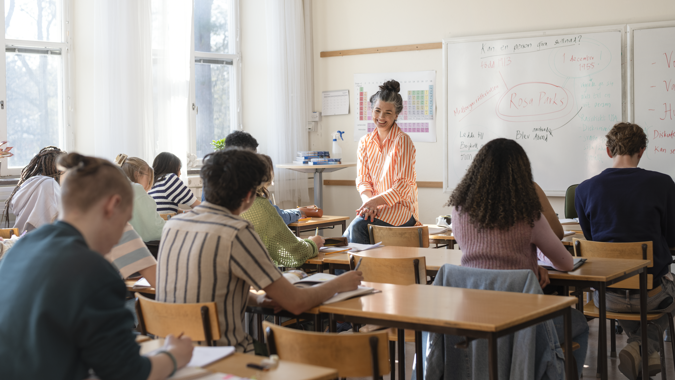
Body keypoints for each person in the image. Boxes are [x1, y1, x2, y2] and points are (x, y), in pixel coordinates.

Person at [0, 153, 193, 380]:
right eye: (125, 220)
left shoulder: (21, 248)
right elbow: (128, 373)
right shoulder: (94, 270)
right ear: (112, 206)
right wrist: (174, 355)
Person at [156, 148, 362, 353]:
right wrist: (339, 283)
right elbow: (296, 303)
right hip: (222, 356)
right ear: (249, 194)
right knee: (305, 353)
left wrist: (256, 298)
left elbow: (206, 285)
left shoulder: (173, 225)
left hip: (173, 353)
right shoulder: (236, 231)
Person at [447, 138, 588, 377]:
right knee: (579, 323)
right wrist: (529, 271)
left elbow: (484, 257)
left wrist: (528, 269)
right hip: (522, 323)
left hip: (471, 318)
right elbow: (564, 262)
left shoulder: (459, 211)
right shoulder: (527, 215)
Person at [575, 122, 675, 380]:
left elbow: (591, 240)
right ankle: (642, 346)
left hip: (606, 296)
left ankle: (638, 348)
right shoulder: (663, 184)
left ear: (609, 151)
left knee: (636, 297)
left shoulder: (584, 189)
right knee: (670, 293)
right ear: (642, 150)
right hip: (651, 294)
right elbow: (672, 238)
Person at [344, 80, 419, 244]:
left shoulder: (403, 141)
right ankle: (357, 270)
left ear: (396, 115)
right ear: (371, 110)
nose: (381, 117)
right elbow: (363, 181)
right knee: (345, 237)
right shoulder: (364, 142)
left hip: (401, 210)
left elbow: (403, 187)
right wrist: (368, 204)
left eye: (388, 113)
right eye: (377, 111)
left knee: (356, 228)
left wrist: (373, 203)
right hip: (373, 207)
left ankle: (362, 270)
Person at [240, 154, 323, 267]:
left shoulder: (224, 203)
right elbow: (295, 252)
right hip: (258, 276)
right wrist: (313, 243)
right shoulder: (261, 206)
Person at [3, 146, 65, 233]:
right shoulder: (50, 184)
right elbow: (58, 223)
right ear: (59, 170)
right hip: (39, 241)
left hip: (20, 240)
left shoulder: (28, 183)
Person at [115, 154, 166, 241]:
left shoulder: (115, 189)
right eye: (149, 179)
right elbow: (155, 231)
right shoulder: (136, 190)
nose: (149, 184)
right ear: (137, 175)